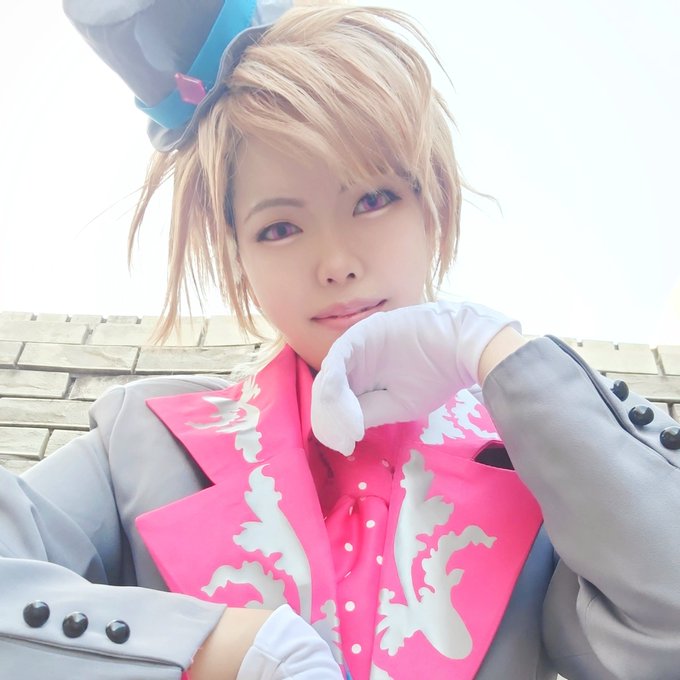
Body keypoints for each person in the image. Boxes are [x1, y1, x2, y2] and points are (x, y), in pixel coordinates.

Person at [1, 1, 679, 678]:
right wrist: (222, 650)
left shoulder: (538, 464)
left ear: (433, 204)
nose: (336, 262)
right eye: (279, 228)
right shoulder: (141, 447)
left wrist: (502, 356)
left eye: (373, 200)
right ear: (238, 256)